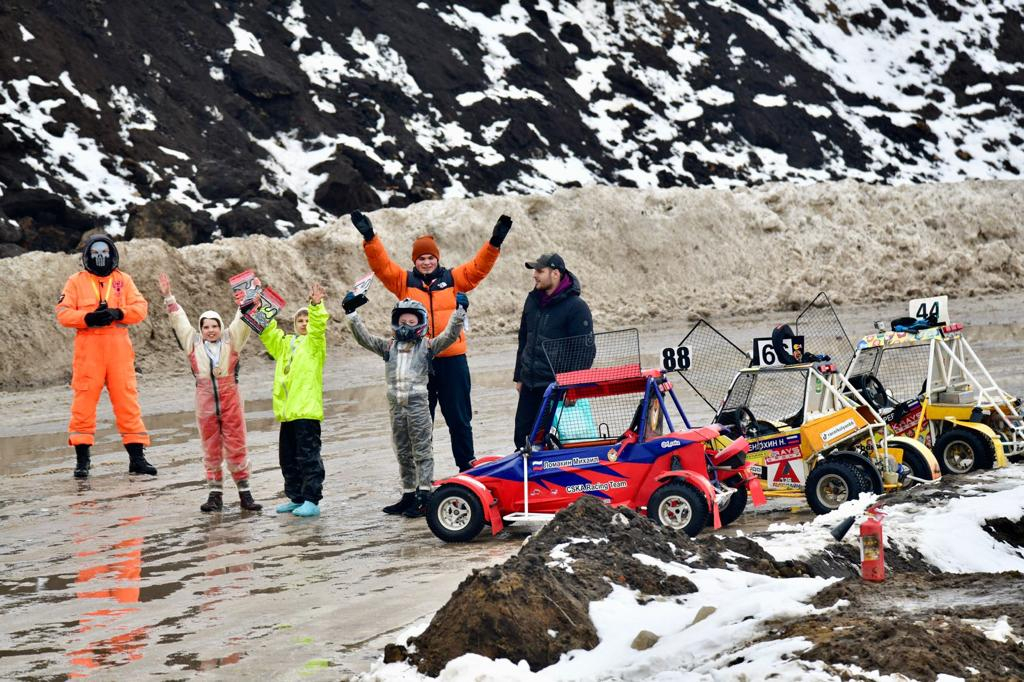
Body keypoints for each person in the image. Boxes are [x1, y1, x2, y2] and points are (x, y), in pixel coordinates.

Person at [349, 210, 512, 472]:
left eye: (430, 258)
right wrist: (370, 237)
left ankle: (466, 470)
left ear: (437, 259)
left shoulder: (453, 279)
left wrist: (494, 243)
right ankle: (420, 481)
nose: (426, 262)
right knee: (420, 423)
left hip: (453, 361)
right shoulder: (404, 282)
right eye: (421, 258)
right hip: (418, 363)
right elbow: (382, 266)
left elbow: (478, 268)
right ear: (415, 261)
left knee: (460, 420)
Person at [343, 292, 468, 517]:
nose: (406, 326)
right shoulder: (388, 347)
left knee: (421, 450)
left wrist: (459, 313)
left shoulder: (427, 346)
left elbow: (449, 336)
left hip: (418, 405)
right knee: (402, 450)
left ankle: (425, 494)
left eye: (411, 322)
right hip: (396, 406)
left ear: (421, 323)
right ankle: (409, 493)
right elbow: (364, 338)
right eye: (402, 321)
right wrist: (352, 314)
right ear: (395, 322)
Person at [158, 273, 262, 512]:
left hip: (230, 398)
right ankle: (215, 495)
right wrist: (168, 296)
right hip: (205, 400)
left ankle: (245, 494)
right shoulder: (192, 343)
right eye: (206, 326)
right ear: (201, 328)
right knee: (210, 447)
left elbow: (242, 320)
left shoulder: (232, 341)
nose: (211, 330)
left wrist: (249, 296)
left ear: (220, 327)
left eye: (215, 326)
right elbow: (179, 320)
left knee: (237, 444)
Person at [56, 235, 157, 478]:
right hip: (89, 350)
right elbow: (62, 312)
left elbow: (141, 308)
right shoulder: (75, 281)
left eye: (104, 252)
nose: (100, 257)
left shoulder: (124, 280)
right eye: (95, 252)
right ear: (87, 256)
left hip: (119, 351)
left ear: (112, 254)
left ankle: (137, 459)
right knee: (83, 406)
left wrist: (118, 312)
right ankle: (82, 461)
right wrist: (87, 318)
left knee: (127, 403)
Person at [259, 283, 329, 517]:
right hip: (287, 414)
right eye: (300, 320)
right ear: (294, 324)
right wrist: (261, 309)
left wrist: (316, 306)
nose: (304, 323)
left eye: (307, 320)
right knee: (287, 459)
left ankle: (311, 499)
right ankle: (296, 497)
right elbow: (269, 333)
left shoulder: (314, 344)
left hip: (306, 413)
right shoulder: (285, 344)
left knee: (308, 458)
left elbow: (318, 327)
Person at [513, 253, 593, 449]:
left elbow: (585, 352)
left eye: (540, 271)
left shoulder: (576, 307)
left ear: (555, 273)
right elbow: (524, 339)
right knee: (522, 439)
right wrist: (519, 377)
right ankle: (527, 477)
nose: (535, 275)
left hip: (556, 386)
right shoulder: (532, 300)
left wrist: (572, 387)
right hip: (530, 383)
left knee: (552, 441)